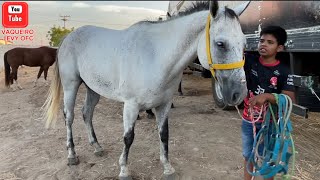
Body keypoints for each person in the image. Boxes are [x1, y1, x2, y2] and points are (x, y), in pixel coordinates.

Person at [241, 25, 296, 180]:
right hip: (248, 120)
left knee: (268, 159)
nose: (263, 44)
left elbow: (290, 99)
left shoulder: (284, 71)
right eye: (261, 40)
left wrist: (267, 96)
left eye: (270, 42)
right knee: (248, 156)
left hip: (270, 124)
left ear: (279, 48)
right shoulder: (249, 61)